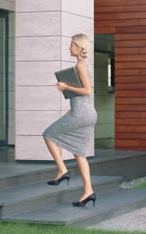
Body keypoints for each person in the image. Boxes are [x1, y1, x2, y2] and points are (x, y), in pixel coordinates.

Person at [42, 33, 98, 207]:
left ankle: (62, 170)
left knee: (48, 134)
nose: (69, 47)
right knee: (79, 153)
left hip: (82, 113)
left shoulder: (80, 65)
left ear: (79, 47)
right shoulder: (83, 65)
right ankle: (88, 191)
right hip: (86, 113)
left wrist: (66, 87)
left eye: (72, 45)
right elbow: (81, 96)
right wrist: (69, 110)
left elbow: (88, 91)